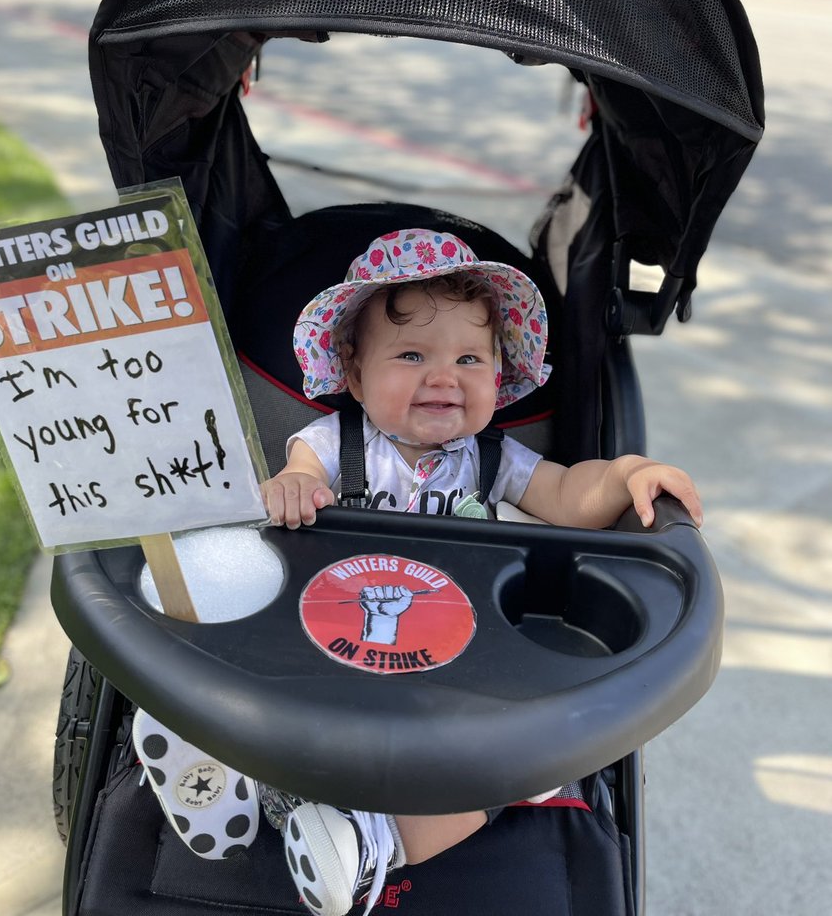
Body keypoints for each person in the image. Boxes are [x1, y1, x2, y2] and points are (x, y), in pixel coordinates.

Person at [135, 228, 702, 916]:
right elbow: (298, 475)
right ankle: (221, 761)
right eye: (411, 355)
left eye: (469, 357)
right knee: (262, 668)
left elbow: (566, 495)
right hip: (329, 658)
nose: (443, 376)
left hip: (451, 675)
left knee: (537, 766)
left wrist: (627, 474)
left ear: (498, 373)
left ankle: (368, 843)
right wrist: (292, 487)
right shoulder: (332, 443)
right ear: (353, 372)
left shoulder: (492, 459)